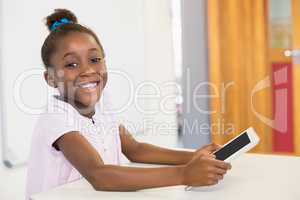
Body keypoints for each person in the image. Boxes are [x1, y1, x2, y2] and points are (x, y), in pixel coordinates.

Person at [25, 8, 231, 199]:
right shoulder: (56, 118)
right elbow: (100, 175)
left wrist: (193, 157)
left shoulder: (102, 108)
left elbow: (135, 149)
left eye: (95, 59)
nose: (87, 70)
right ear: (50, 78)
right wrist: (184, 174)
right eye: (72, 64)